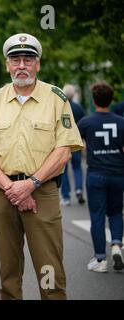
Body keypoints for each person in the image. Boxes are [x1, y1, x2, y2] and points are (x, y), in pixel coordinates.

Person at [0, 33, 84, 300]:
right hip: (2, 194)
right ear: (7, 65)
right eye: (15, 59)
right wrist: (13, 188)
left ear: (38, 64)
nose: (22, 65)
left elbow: (64, 151)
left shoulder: (56, 100)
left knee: (49, 272)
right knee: (8, 273)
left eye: (28, 59)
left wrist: (31, 184)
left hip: (41, 193)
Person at [76, 82, 124, 273]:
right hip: (118, 173)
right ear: (111, 100)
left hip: (96, 173)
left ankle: (100, 259)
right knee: (116, 211)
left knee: (97, 216)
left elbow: (72, 142)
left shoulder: (87, 122)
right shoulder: (121, 122)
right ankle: (116, 245)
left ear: (94, 100)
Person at [60, 84, 86, 205]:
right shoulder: (78, 108)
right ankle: (79, 189)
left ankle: (66, 197)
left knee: (63, 170)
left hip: (63, 143)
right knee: (77, 167)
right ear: (73, 95)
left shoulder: (60, 106)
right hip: (76, 142)